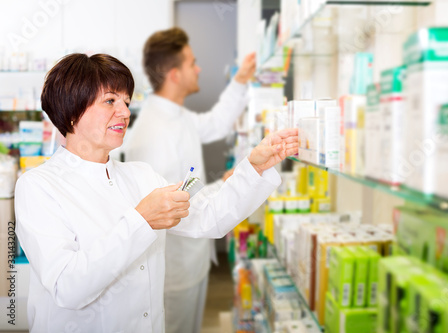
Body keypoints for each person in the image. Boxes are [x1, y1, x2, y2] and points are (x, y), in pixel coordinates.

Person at [14, 53, 298, 333]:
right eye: (110, 101)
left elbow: (208, 217)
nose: (124, 112)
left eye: (126, 101)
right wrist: (142, 220)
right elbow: (68, 287)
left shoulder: (140, 175)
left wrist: (253, 168)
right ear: (72, 110)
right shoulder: (38, 186)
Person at [123, 27, 255, 332]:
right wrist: (226, 184)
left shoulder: (176, 116)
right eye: (191, 62)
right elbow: (169, 210)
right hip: (174, 271)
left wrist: (240, 80)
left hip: (192, 261)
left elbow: (216, 123)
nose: (199, 68)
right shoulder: (152, 134)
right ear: (174, 74)